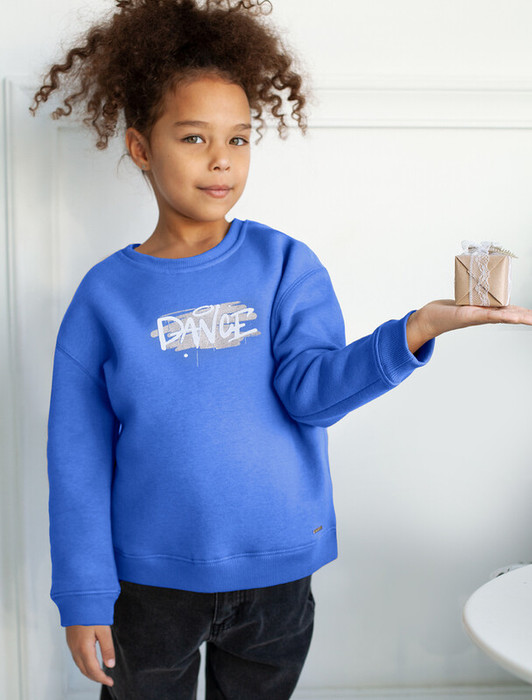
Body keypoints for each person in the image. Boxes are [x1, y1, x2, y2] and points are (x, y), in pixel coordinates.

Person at [30, 1, 532, 698]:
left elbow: (312, 395)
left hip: (277, 579)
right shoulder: (104, 296)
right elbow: (76, 459)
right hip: (149, 585)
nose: (221, 160)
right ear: (141, 147)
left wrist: (416, 328)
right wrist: (83, 595)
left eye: (239, 140)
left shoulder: (285, 265)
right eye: (194, 137)